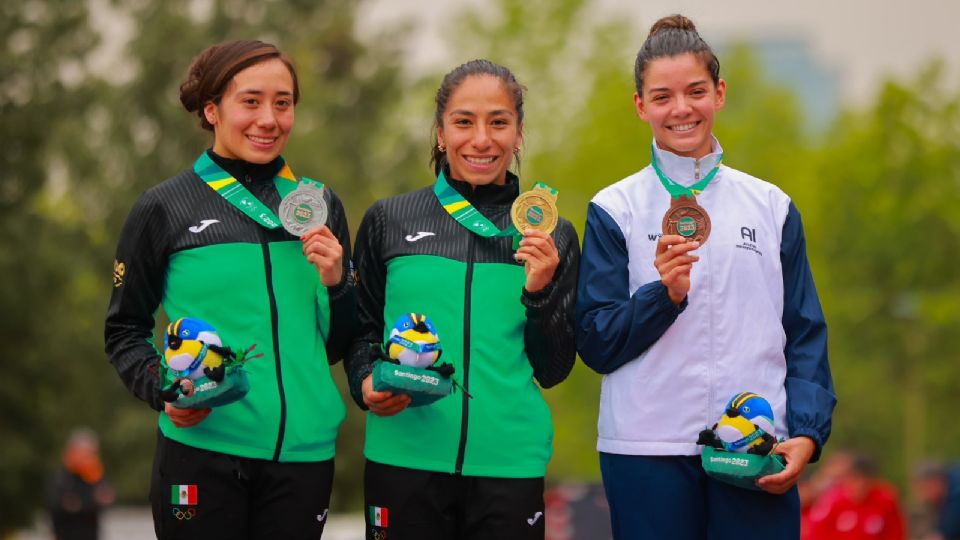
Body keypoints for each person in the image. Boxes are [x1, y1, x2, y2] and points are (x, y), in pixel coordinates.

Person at [575, 14, 836, 539]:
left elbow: (804, 333)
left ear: (719, 93)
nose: (681, 109)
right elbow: (596, 342)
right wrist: (664, 296)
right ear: (640, 105)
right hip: (646, 450)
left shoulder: (771, 205)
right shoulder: (614, 207)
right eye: (662, 96)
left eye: (695, 91)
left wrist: (806, 433)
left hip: (755, 448)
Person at [104, 40, 354, 539]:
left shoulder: (318, 204)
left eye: (282, 103)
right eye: (251, 101)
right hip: (202, 452)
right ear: (212, 109)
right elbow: (124, 330)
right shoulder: (163, 208)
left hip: (302, 458)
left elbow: (334, 346)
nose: (269, 118)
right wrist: (164, 390)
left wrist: (338, 282)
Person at [346, 59, 580, 540]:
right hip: (403, 459)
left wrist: (539, 292)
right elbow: (360, 330)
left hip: (509, 466)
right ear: (439, 133)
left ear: (518, 135)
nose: (481, 139)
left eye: (498, 122)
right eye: (463, 122)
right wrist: (365, 380)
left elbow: (554, 368)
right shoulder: (389, 220)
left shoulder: (551, 232)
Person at [804, 452, 905, 540]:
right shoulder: (831, 501)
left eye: (865, 480)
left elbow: (895, 533)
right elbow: (816, 533)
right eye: (856, 479)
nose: (860, 485)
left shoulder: (885, 500)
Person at [45, 428, 115, 540]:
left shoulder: (96, 476)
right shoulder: (61, 478)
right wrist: (90, 502)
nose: (91, 458)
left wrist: (81, 504)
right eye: (86, 453)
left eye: (93, 453)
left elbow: (107, 499)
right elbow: (62, 505)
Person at [912, 461, 960, 540]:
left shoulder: (956, 494)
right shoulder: (946, 493)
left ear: (935, 481)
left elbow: (952, 524)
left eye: (923, 488)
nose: (923, 496)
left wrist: (941, 535)